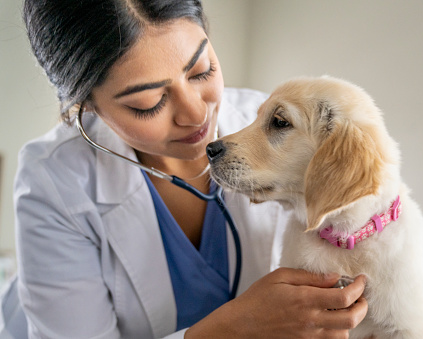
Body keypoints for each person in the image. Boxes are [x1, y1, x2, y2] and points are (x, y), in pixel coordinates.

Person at [6, 0, 369, 338]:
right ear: (87, 105)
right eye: (149, 103)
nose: (196, 114)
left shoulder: (281, 127)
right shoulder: (52, 182)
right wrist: (235, 328)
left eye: (201, 70)